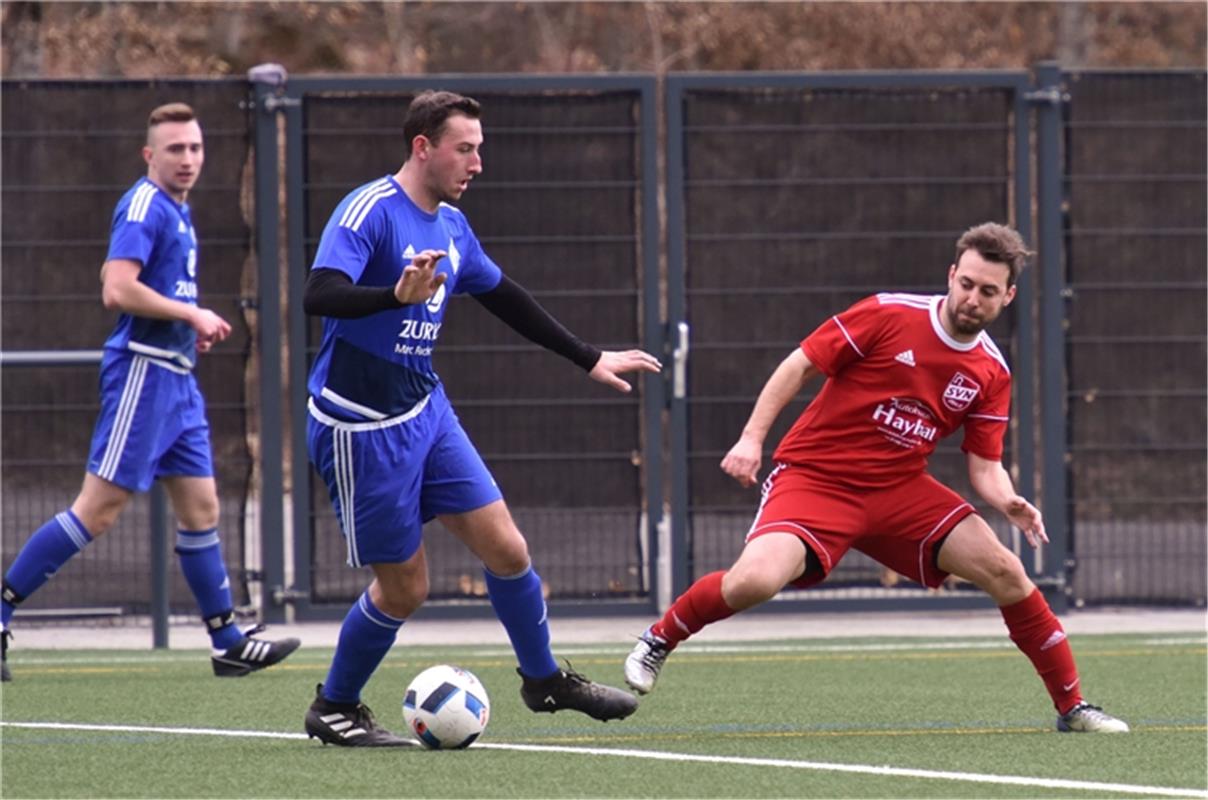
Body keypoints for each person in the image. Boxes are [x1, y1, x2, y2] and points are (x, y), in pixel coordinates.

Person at [624, 222, 1130, 734]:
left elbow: (984, 466)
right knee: (753, 582)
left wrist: (1007, 501)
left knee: (1006, 571)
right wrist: (752, 439)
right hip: (817, 479)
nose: (973, 298)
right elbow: (799, 365)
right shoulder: (889, 313)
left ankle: (1074, 707)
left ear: (1008, 296)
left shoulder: (991, 371)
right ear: (951, 275)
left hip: (900, 491)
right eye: (967, 284)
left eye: (988, 291)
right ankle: (659, 639)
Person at [301, 90, 661, 746]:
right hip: (362, 428)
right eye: (465, 148)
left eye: (479, 149)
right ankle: (335, 706)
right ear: (423, 147)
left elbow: (503, 295)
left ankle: (544, 678)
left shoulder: (452, 226)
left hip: (426, 409)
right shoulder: (370, 211)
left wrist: (588, 357)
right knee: (407, 590)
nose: (477, 163)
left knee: (508, 548)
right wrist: (394, 294)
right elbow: (318, 293)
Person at [0, 103, 300, 683]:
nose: (187, 159)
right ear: (149, 155)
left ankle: (227, 642)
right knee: (98, 511)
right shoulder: (144, 206)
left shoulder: (180, 213)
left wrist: (187, 326)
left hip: (176, 378)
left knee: (203, 508)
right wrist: (191, 312)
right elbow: (117, 289)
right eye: (175, 149)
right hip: (142, 373)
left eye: (195, 148)